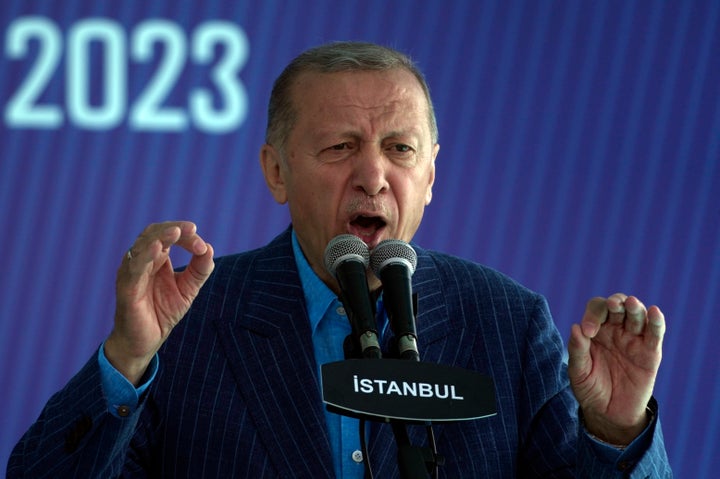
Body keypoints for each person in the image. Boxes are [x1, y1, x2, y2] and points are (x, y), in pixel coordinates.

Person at [8, 41, 671, 478]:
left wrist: (616, 428)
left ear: (432, 174)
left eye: (401, 149)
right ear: (276, 171)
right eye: (340, 147)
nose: (374, 175)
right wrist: (127, 359)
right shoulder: (195, 317)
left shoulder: (508, 321)